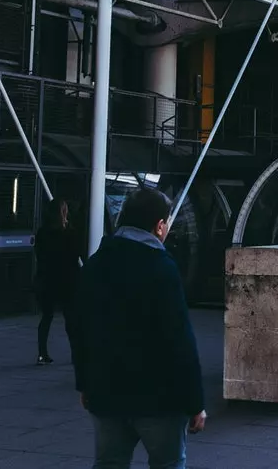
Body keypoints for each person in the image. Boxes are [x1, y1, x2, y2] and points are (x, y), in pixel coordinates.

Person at [73, 186, 206, 469]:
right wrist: (195, 401)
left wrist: (85, 380)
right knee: (168, 463)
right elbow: (179, 340)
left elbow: (80, 328)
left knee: (109, 462)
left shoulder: (96, 265)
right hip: (158, 399)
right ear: (159, 226)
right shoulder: (161, 268)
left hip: (106, 392)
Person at [34, 197, 81, 365]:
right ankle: (75, 353)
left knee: (46, 317)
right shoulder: (70, 232)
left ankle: (41, 353)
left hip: (47, 279)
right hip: (67, 280)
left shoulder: (42, 232)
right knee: (70, 319)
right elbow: (74, 256)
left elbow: (40, 256)